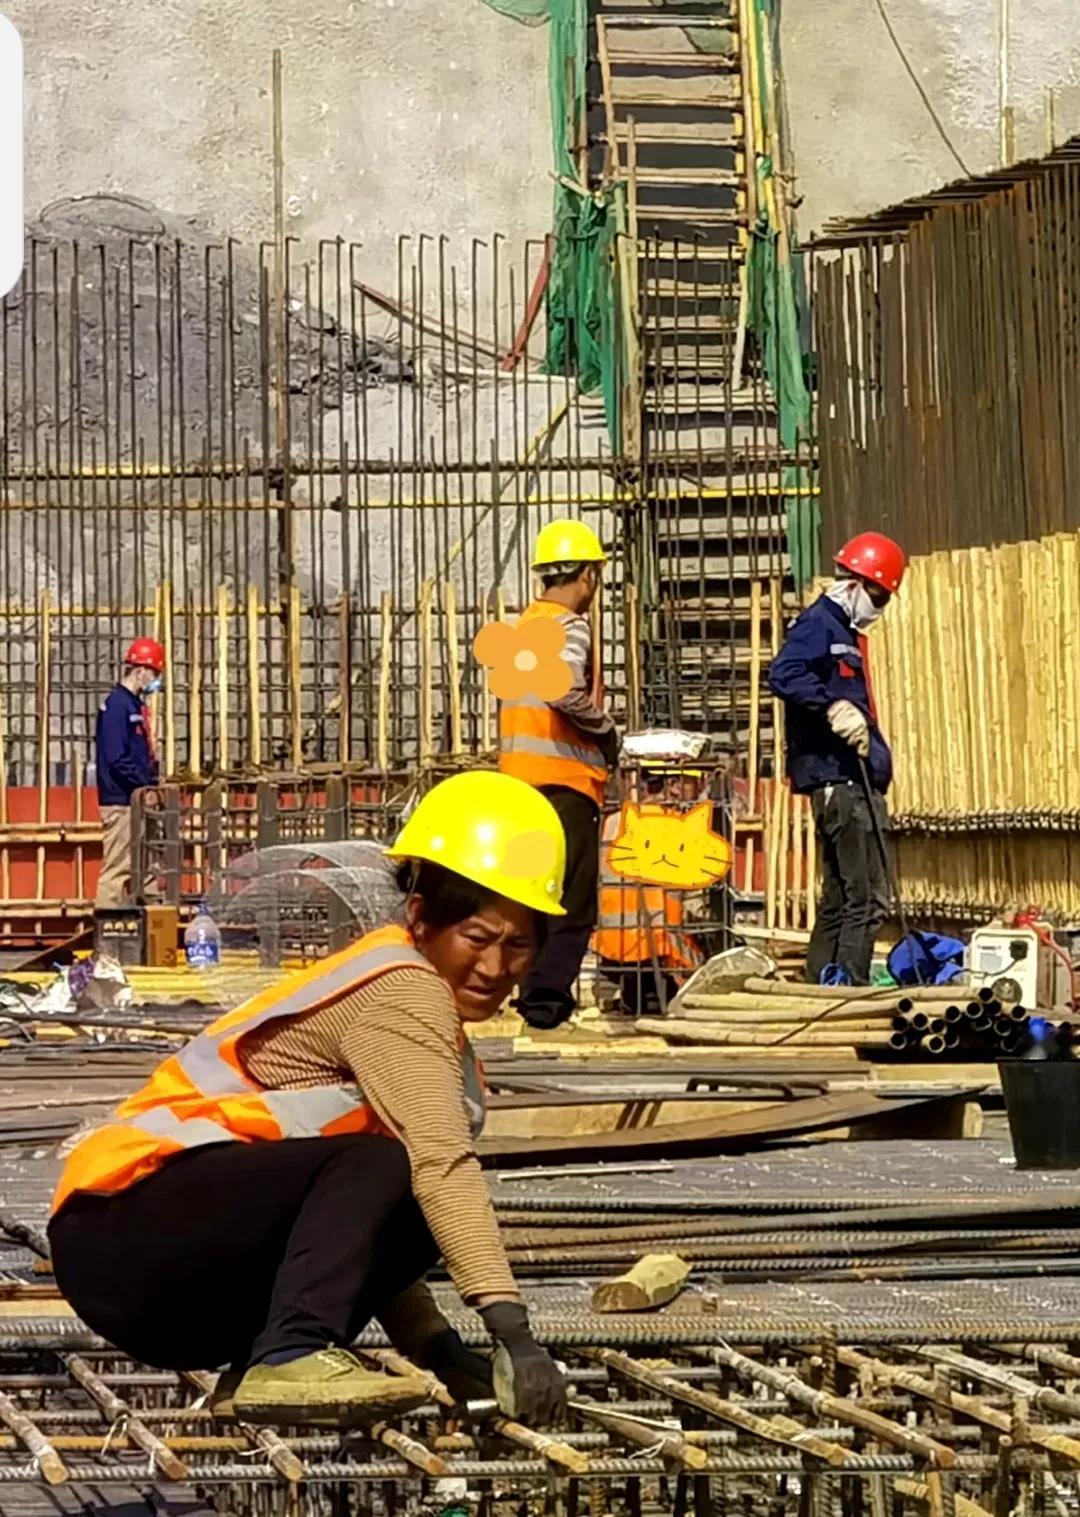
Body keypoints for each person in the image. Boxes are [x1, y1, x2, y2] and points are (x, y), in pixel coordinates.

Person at [48, 771, 569, 1429]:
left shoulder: (422, 1016)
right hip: (122, 1226)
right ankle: (292, 1353)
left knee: (404, 1195)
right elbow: (439, 1166)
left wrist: (439, 1350)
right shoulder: (403, 990)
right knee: (404, 1171)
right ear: (419, 918)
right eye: (477, 937)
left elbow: (357, 1223)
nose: (495, 967)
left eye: (517, 945)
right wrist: (513, 1333)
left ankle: (268, 1358)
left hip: (157, 1276)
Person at [768, 532, 906, 986]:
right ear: (856, 583)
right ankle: (847, 991)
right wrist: (832, 706)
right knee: (866, 899)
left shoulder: (842, 631)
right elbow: (784, 673)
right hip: (841, 783)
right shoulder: (820, 625)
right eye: (879, 595)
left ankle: (818, 986)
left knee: (840, 898)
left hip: (850, 779)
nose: (880, 606)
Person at [498, 519, 618, 1029]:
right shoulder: (569, 627)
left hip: (520, 782)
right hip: (564, 783)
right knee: (573, 903)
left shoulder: (524, 626)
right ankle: (546, 1003)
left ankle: (531, 997)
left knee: (533, 895)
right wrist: (606, 731)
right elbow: (562, 689)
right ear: (587, 575)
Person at [95, 637, 164, 907]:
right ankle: (107, 926)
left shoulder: (134, 706)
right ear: (140, 670)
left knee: (146, 868)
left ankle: (152, 922)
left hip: (137, 799)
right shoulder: (116, 707)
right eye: (155, 674)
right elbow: (117, 758)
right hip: (121, 801)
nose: (156, 681)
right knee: (118, 869)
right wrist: (144, 785)